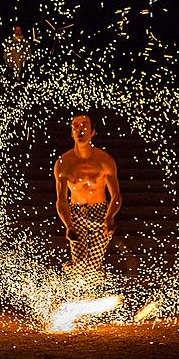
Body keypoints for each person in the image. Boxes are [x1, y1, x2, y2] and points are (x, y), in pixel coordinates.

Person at [54, 113, 122, 276]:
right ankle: (77, 286)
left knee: (94, 263)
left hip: (100, 212)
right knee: (79, 262)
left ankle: (94, 291)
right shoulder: (64, 163)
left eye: (84, 125)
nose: (80, 129)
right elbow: (61, 200)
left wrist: (109, 217)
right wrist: (68, 225)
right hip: (76, 211)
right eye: (75, 126)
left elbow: (116, 196)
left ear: (92, 131)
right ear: (71, 132)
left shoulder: (104, 160)